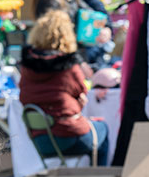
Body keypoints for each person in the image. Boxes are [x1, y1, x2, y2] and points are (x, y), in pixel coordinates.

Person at [19, 10, 110, 166]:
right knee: (103, 129)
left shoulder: (27, 68)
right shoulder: (68, 67)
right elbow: (82, 91)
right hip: (69, 135)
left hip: (41, 139)